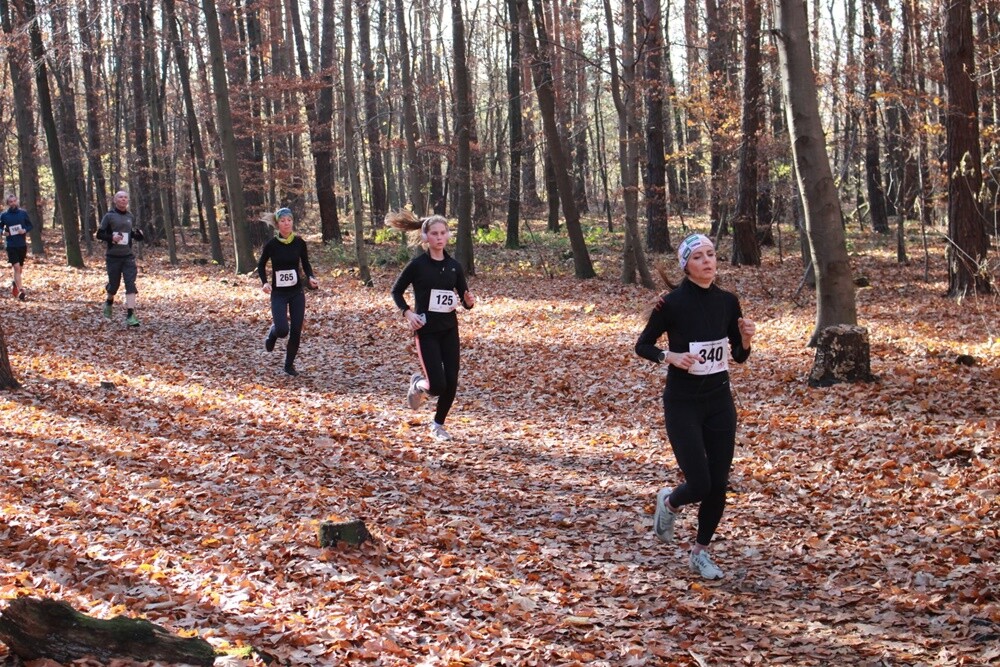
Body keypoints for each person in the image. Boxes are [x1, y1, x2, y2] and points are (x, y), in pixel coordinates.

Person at [635, 233, 756, 580]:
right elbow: (642, 345)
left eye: (711, 255)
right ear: (686, 265)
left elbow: (739, 356)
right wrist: (669, 356)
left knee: (718, 484)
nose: (708, 261)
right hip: (683, 403)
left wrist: (746, 338)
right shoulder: (671, 304)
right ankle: (670, 502)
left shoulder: (729, 302)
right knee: (699, 483)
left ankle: (699, 553)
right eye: (699, 257)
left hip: (719, 401)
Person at [389, 211, 475, 441]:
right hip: (426, 331)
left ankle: (438, 425)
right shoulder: (417, 265)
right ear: (425, 237)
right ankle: (418, 384)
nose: (439, 237)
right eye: (434, 233)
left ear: (448, 236)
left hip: (449, 329)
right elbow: (396, 291)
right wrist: (407, 313)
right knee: (436, 386)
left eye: (443, 233)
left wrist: (468, 303)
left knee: (452, 380)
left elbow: (464, 298)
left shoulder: (455, 266)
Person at [256, 207, 318, 377]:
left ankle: (289, 365)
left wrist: (311, 277)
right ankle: (273, 332)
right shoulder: (272, 245)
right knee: (283, 330)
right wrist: (265, 283)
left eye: (289, 220)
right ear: (277, 224)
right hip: (279, 294)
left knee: (296, 329)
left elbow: (305, 263)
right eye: (282, 221)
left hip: (297, 292)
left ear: (292, 222)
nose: (286, 223)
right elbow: (261, 265)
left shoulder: (299, 242)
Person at [96, 190, 144, 326]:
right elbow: (99, 234)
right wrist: (111, 237)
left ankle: (130, 314)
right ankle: (109, 301)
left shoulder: (130, 216)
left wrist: (139, 235)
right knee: (114, 285)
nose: (123, 199)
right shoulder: (109, 216)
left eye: (125, 197)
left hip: (128, 256)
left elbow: (132, 234)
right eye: (120, 197)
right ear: (115, 200)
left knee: (130, 284)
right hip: (113, 257)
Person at [1, 194, 32, 302]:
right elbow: (0, 228)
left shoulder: (23, 213)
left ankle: (15, 283)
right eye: (10, 202)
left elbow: (30, 225)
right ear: (8, 203)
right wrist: (3, 232)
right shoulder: (4, 215)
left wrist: (24, 230)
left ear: (17, 201)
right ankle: (21, 291)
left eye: (14, 201)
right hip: (11, 245)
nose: (13, 203)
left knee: (20, 269)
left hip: (21, 245)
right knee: (16, 267)